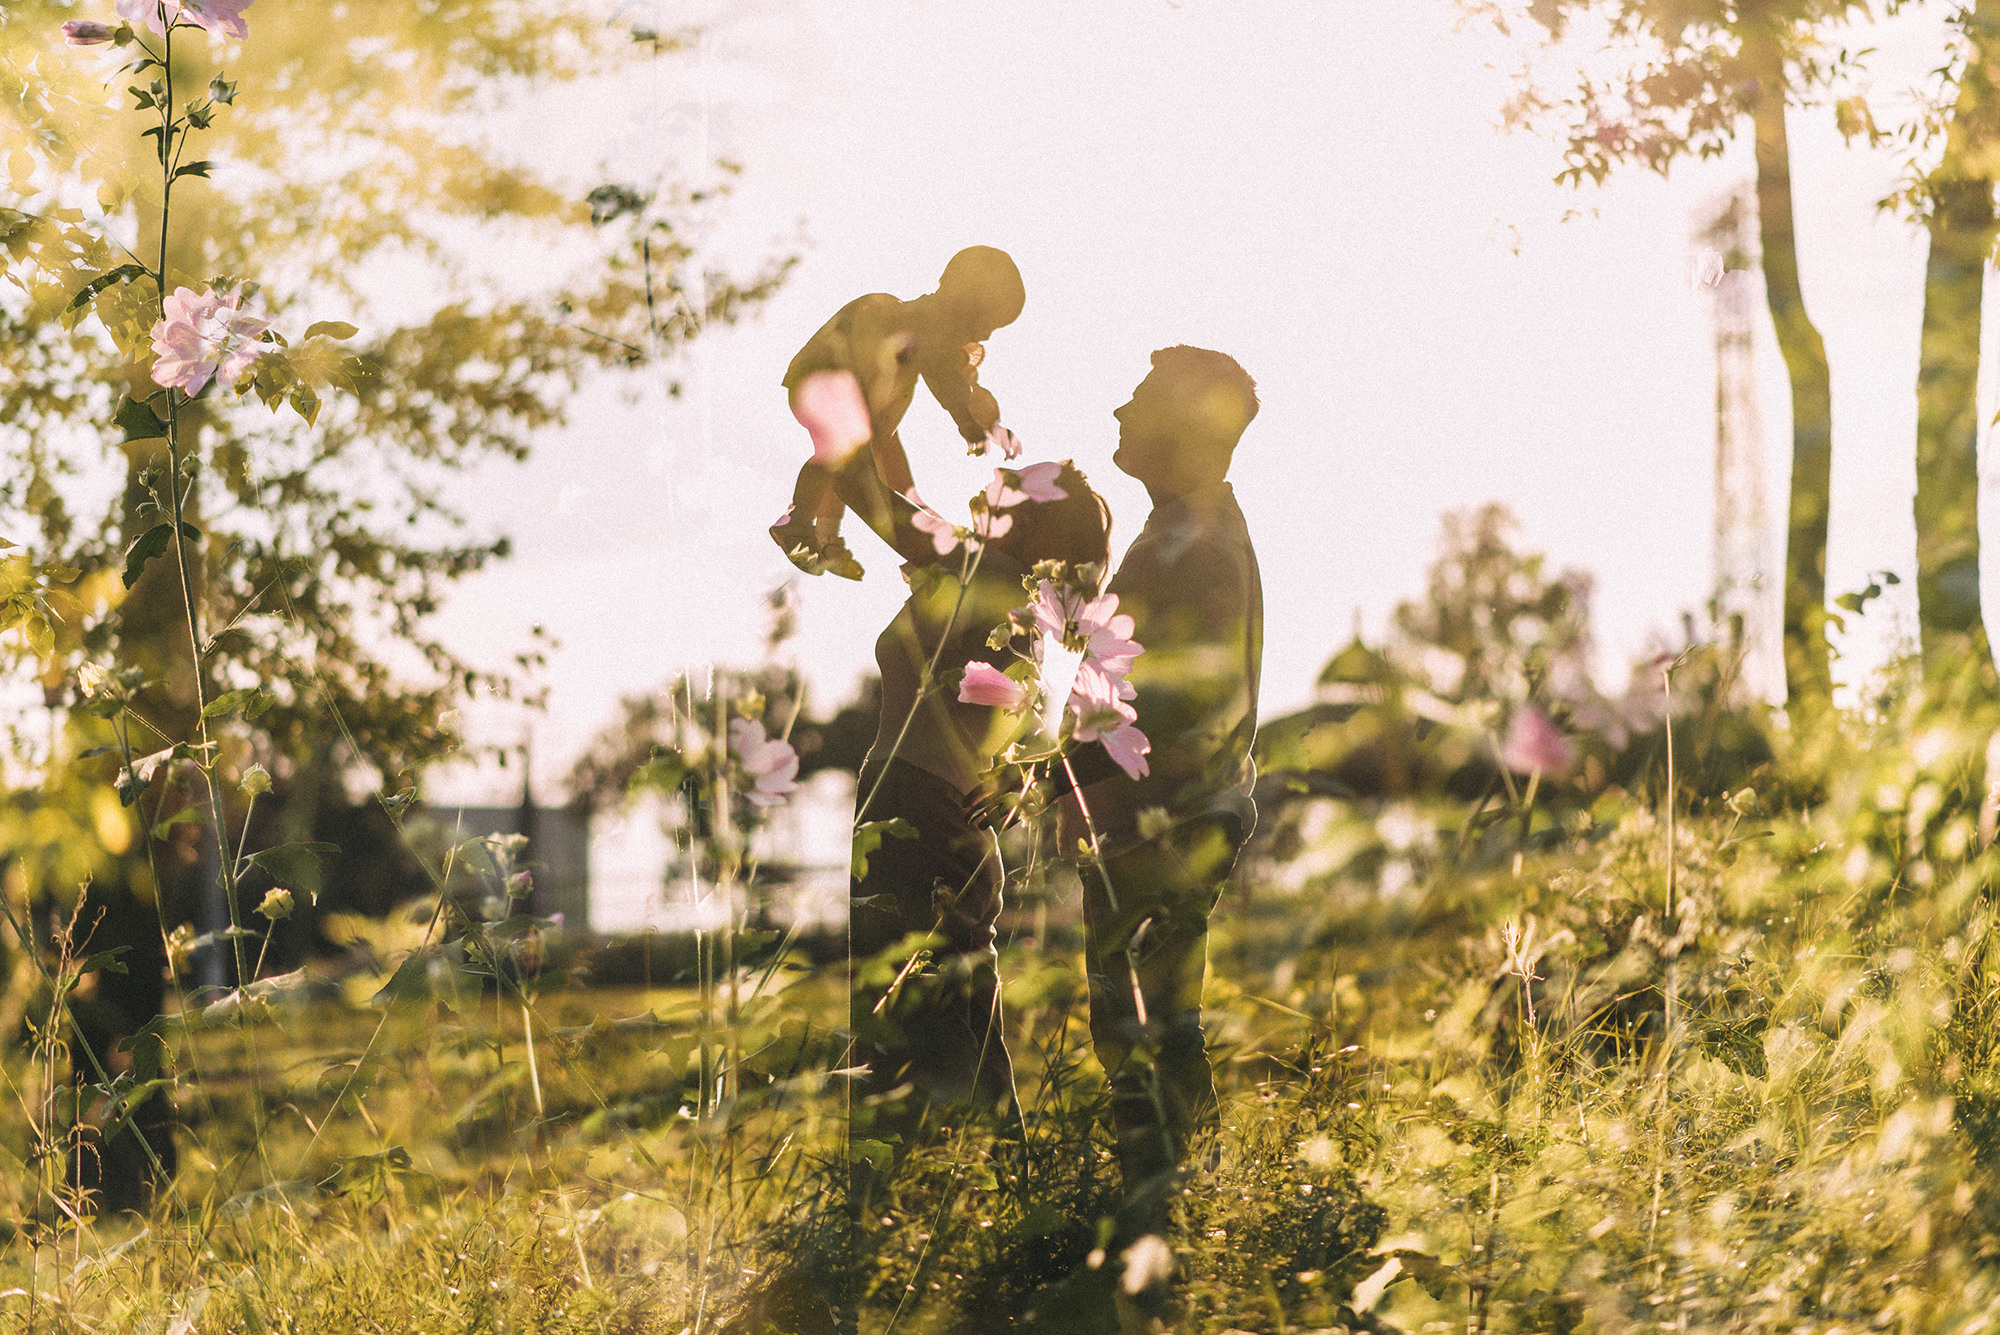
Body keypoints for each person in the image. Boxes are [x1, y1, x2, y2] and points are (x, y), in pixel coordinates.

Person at [827, 441, 1111, 1213]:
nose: (988, 496)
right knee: (922, 1019)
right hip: (910, 813)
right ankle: (954, 1205)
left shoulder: (978, 573)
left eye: (1006, 492)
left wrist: (860, 399)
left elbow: (863, 485)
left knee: (931, 1025)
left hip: (922, 819)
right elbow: (893, 483)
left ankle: (983, 1206)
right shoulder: (998, 589)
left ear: (1029, 520)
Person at [1058, 345, 1263, 1232]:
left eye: (1139, 399)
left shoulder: (1197, 544)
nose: (1118, 412)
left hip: (1163, 819)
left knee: (1149, 1020)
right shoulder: (1179, 534)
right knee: (1146, 1015)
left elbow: (1170, 699)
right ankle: (1174, 1203)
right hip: (1148, 815)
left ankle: (1171, 1211)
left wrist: (1074, 772)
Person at [770, 246, 1026, 581]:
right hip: (832, 377)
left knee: (843, 466)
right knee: (856, 475)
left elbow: (952, 374)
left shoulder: (915, 331)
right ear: (965, 304)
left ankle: (800, 520)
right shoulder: (926, 321)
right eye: (986, 324)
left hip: (820, 381)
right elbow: (942, 374)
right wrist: (965, 422)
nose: (986, 336)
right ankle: (932, 556)